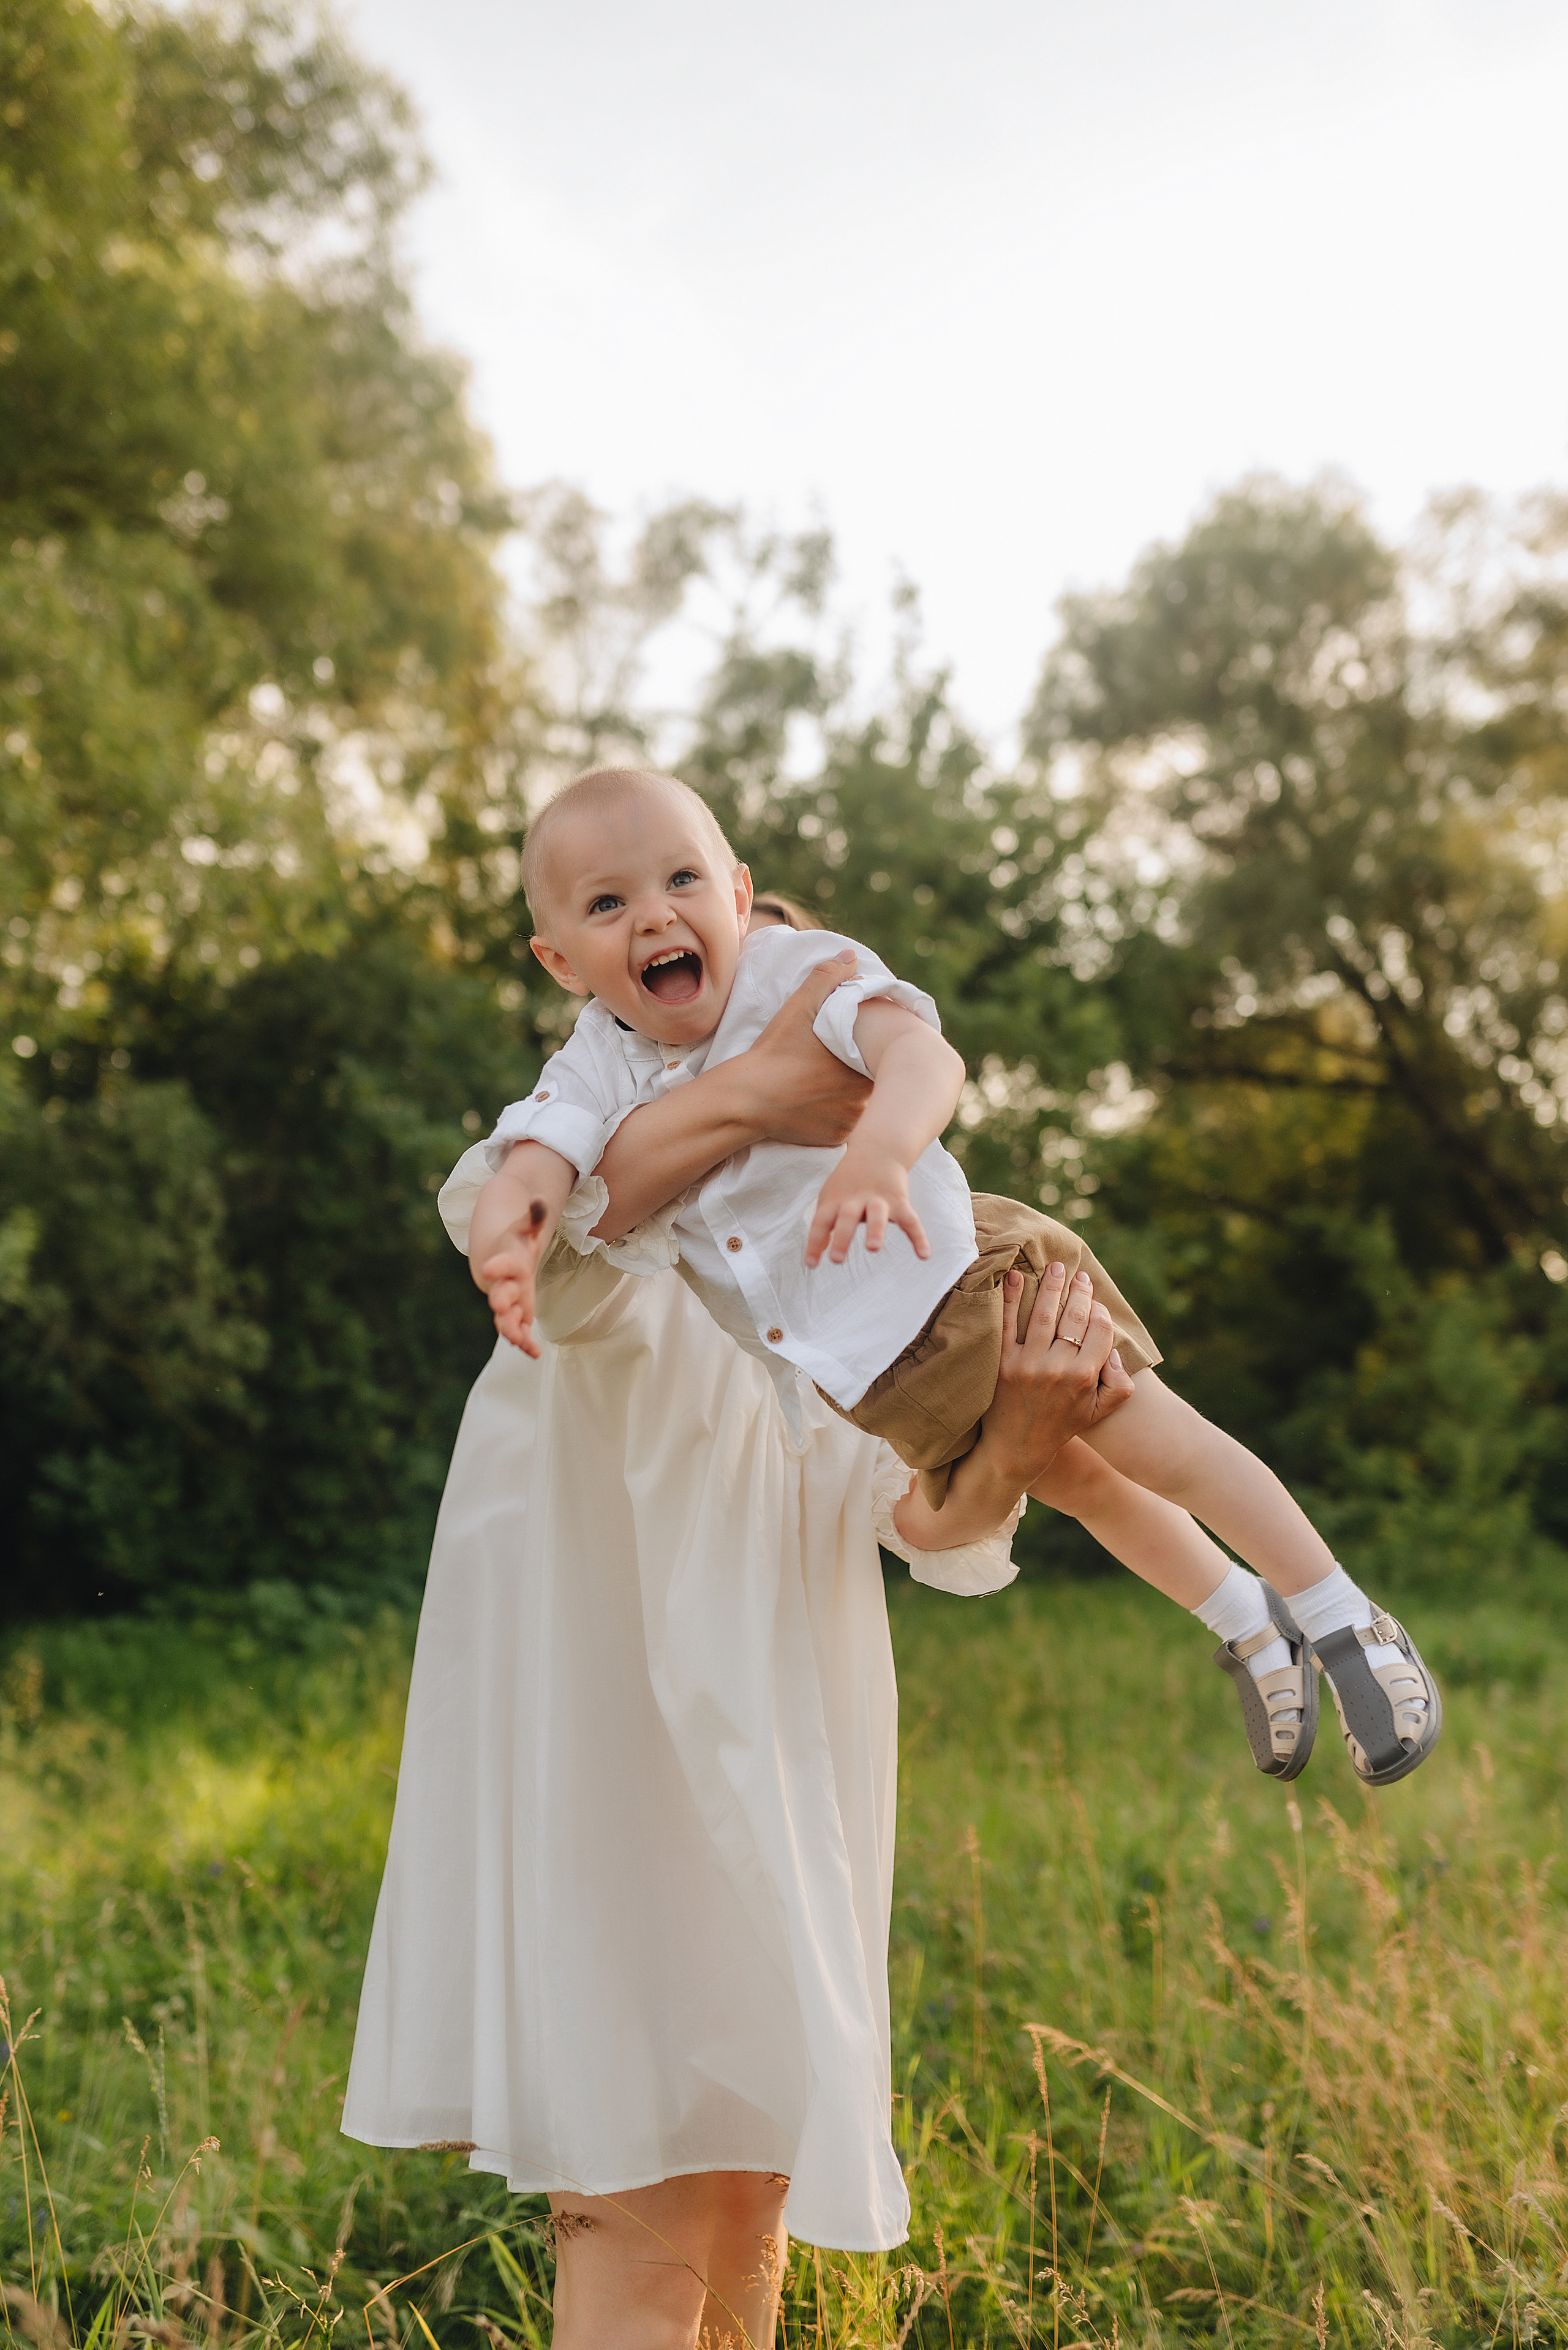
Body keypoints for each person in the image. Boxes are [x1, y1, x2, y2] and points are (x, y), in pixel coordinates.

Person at [344, 950, 1143, 2349]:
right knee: (626, 2189)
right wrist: (763, 1085)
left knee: (748, 2179)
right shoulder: (569, 1188)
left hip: (784, 1734)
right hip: (602, 1721)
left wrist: (1012, 1436)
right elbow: (553, 1234)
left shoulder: (829, 1284)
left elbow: (925, 1525)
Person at [469, 767, 1441, 1791]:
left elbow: (924, 1059)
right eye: (609, 902)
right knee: (1080, 1483)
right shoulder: (595, 1066)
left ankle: (1344, 1621)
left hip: (971, 1280)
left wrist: (882, 1151)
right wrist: (509, 1236)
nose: (657, 914)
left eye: (682, 878)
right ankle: (1246, 1621)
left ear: (740, 897)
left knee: (1160, 1443)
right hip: (882, 1378)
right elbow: (537, 1162)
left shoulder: (793, 975)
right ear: (561, 959)